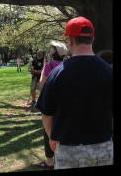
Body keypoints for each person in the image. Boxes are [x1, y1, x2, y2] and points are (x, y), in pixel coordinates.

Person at [36, 17, 113, 169]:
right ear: (93, 39)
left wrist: (52, 136)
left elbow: (46, 114)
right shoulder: (109, 71)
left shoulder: (57, 74)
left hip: (68, 151)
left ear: (70, 40)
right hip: (103, 149)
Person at [34, 42, 67, 166]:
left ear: (55, 52)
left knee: (48, 129)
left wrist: (44, 70)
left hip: (51, 101)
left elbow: (43, 83)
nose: (51, 49)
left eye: (53, 48)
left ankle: (49, 160)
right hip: (64, 101)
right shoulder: (66, 64)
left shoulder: (50, 65)